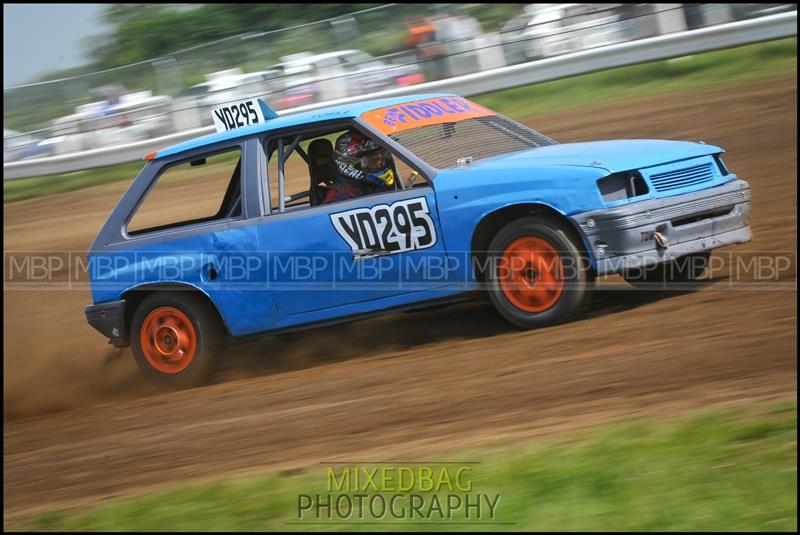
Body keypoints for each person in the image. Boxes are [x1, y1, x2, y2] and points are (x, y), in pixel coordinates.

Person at [322, 130, 396, 204]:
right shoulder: (338, 199)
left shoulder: (371, 184)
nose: (380, 164)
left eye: (381, 158)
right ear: (348, 165)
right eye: (372, 161)